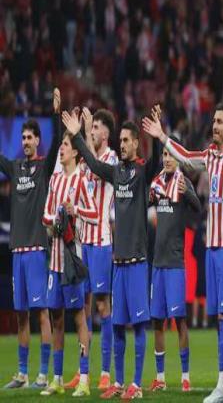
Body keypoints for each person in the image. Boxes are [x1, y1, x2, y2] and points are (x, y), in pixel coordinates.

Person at [143, 103, 223, 403]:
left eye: (220, 122)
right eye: (214, 121)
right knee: (218, 316)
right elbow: (186, 156)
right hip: (212, 245)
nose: (214, 126)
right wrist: (162, 137)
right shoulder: (210, 156)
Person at [62, 108, 161, 399]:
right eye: (121, 140)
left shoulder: (142, 171)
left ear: (136, 143)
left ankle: (136, 385)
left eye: (127, 140)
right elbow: (93, 163)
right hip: (118, 262)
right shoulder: (117, 172)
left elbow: (156, 161)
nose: (122, 144)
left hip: (138, 261)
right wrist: (77, 135)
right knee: (117, 325)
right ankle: (117, 383)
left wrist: (158, 137)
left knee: (138, 326)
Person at [1, 88, 61, 389]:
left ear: (38, 140)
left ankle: (43, 374)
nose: (25, 142)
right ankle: (23, 375)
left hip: (37, 250)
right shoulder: (14, 168)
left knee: (42, 314)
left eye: (30, 138)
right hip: (17, 252)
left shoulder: (43, 167)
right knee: (21, 316)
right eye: (23, 138)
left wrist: (56, 113)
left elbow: (58, 143)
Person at [41, 130, 98, 397]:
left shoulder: (81, 180)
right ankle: (57, 379)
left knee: (78, 317)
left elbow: (94, 214)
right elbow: (45, 215)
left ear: (75, 151)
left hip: (72, 260)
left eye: (65, 145)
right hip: (54, 260)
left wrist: (75, 211)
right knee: (56, 317)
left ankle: (84, 379)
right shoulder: (54, 180)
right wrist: (56, 219)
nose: (61, 149)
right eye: (61, 144)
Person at [65, 107, 117, 391]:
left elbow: (95, 167)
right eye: (92, 127)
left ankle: (106, 372)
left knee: (102, 305)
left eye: (96, 127)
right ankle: (82, 370)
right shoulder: (86, 161)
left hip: (101, 243)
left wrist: (83, 133)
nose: (93, 130)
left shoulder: (111, 159)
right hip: (83, 244)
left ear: (106, 133)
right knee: (82, 307)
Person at [148, 143, 201, 392]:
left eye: (171, 155)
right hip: (157, 262)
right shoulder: (156, 183)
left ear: (179, 158)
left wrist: (188, 193)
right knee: (157, 322)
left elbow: (198, 207)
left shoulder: (183, 181)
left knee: (179, 321)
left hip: (176, 262)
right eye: (165, 154)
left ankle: (185, 376)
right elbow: (147, 205)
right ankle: (160, 377)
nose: (167, 159)